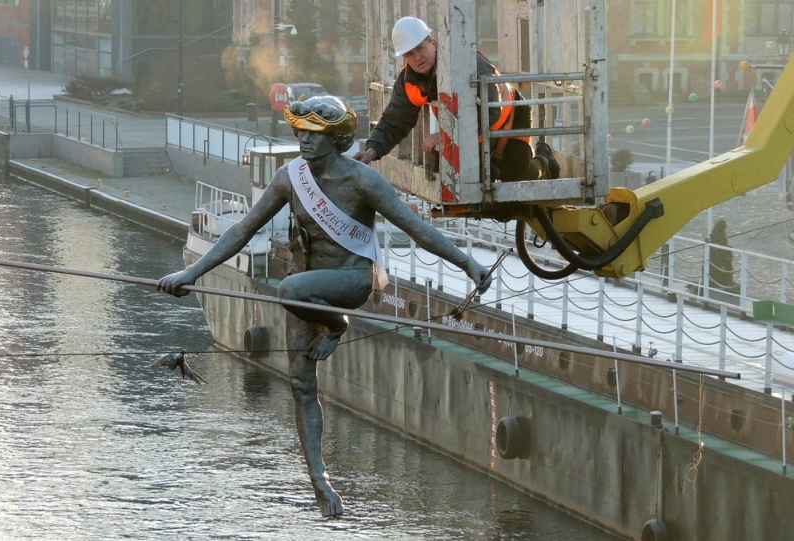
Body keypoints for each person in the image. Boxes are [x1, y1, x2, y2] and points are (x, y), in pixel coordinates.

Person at [157, 95, 493, 517]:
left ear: (338, 139)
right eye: (300, 132)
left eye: (315, 135)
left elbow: (418, 229)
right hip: (309, 287)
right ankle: (321, 483)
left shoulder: (362, 181)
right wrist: (193, 273)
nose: (304, 141)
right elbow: (242, 229)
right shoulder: (289, 177)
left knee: (289, 291)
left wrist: (468, 263)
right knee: (301, 385)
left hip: (349, 282)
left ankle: (337, 326)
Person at [353, 16, 559, 181]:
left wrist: (443, 136)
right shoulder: (409, 82)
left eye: (420, 48)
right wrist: (372, 152)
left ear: (433, 43)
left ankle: (545, 162)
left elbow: (491, 112)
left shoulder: (468, 63)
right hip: (473, 134)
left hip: (512, 118)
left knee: (515, 176)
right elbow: (394, 121)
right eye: (409, 54)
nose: (417, 57)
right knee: (480, 178)